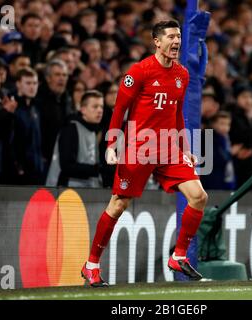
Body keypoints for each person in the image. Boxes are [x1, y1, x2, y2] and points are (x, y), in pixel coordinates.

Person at [81, 20, 208, 287]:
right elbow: (119, 109)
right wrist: (112, 145)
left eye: (179, 37)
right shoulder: (139, 72)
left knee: (198, 196)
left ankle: (179, 256)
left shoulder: (182, 74)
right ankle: (91, 264)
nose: (177, 42)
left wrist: (186, 149)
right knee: (118, 204)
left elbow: (177, 114)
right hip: (139, 147)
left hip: (169, 148)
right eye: (171, 37)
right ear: (157, 42)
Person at [46, 90, 104, 187]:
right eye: (95, 106)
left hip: (85, 190)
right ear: (83, 110)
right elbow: (67, 166)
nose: (99, 110)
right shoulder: (70, 130)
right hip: (67, 191)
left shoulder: (93, 131)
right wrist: (98, 169)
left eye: (101, 106)